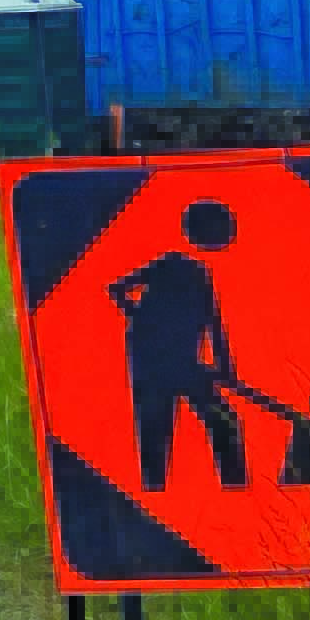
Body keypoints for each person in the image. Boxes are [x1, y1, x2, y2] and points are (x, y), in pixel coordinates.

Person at [106, 198, 249, 493]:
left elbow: (213, 321)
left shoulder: (201, 273)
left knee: (226, 422)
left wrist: (227, 369)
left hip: (185, 362)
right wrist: (142, 321)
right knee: (155, 429)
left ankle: (238, 491)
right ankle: (153, 497)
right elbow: (117, 288)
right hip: (151, 361)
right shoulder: (170, 263)